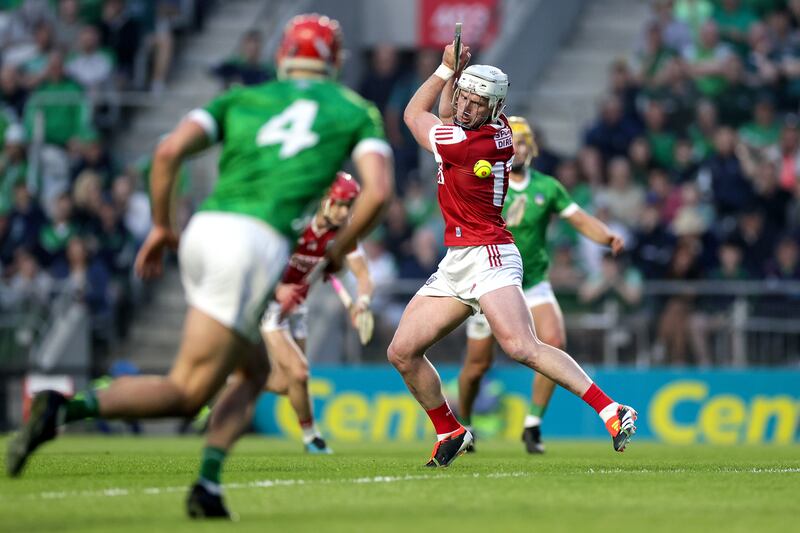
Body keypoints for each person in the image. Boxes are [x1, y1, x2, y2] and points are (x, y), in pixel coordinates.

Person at [6, 14, 394, 520]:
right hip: (254, 244)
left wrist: (161, 227)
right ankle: (64, 409)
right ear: (336, 61)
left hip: (203, 230)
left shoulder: (240, 98)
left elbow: (168, 151)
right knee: (187, 392)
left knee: (254, 371)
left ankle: (209, 486)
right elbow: (378, 192)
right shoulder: (354, 109)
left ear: (282, 56)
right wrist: (337, 246)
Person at [391, 40, 637, 468]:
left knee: (522, 346)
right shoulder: (492, 127)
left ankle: (612, 410)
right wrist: (457, 78)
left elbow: (414, 115)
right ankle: (450, 431)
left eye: (476, 102)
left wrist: (444, 70)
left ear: (494, 107)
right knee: (401, 352)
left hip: (489, 254)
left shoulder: (468, 144)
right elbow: (447, 115)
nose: (467, 107)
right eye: (465, 97)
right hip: (458, 259)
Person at [459, 117, 626, 454]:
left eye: (523, 142)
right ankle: (463, 423)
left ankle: (532, 424)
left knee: (554, 341)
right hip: (490, 281)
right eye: (513, 142)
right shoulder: (488, 180)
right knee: (477, 366)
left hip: (532, 280)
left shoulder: (547, 187)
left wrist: (606, 236)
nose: (518, 148)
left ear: (532, 148)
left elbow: (578, 218)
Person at [261, 172, 374, 454]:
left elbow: (363, 275)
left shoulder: (342, 234)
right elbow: (258, 259)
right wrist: (277, 288)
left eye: (348, 206)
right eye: (339, 204)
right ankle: (313, 439)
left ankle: (228, 383)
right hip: (270, 303)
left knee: (285, 382)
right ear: (325, 199)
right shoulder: (296, 221)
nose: (343, 212)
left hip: (298, 308)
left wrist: (361, 302)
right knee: (299, 372)